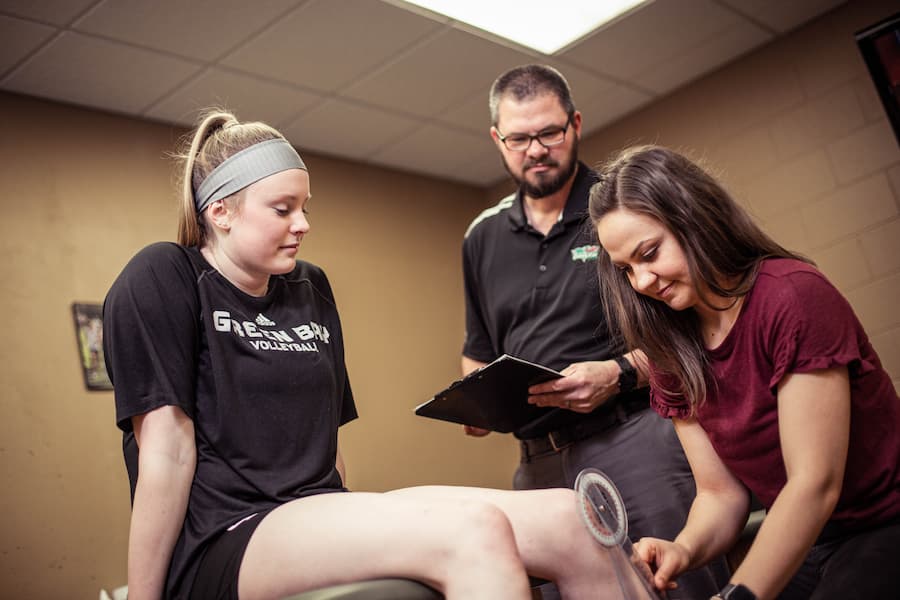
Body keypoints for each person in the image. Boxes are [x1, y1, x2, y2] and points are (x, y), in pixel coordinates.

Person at [102, 108, 629, 600]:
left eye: (304, 208)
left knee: (569, 517)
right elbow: (166, 452)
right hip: (226, 533)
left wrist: (358, 534)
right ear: (220, 210)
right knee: (473, 529)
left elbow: (326, 444)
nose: (303, 223)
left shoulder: (309, 286)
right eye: (282, 209)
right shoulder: (166, 275)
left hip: (316, 509)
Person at [460, 64, 728, 599]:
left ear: (575, 124)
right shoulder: (480, 237)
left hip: (637, 437)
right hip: (538, 464)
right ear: (498, 139)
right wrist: (476, 400)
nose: (535, 149)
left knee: (678, 584)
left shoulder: (619, 206)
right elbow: (478, 352)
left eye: (549, 133)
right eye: (518, 138)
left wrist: (618, 373)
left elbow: (695, 331)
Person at [589, 144, 900, 600]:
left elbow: (814, 484)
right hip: (808, 537)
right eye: (626, 269)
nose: (642, 282)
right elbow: (720, 495)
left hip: (883, 523)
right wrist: (684, 548)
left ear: (692, 220)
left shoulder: (792, 297)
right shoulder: (669, 347)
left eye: (650, 253)